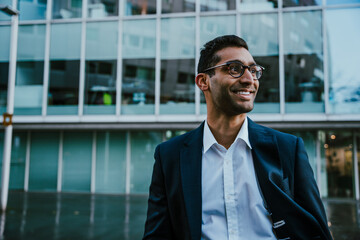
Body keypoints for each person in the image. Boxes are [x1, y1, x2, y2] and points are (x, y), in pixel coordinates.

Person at [143, 35, 333, 240]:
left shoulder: (288, 148)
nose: (249, 79)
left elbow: (316, 232)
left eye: (253, 70)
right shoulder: (169, 155)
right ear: (203, 81)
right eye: (234, 68)